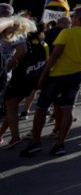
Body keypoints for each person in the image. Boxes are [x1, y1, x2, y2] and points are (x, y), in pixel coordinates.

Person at [20, 5, 81, 158]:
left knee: (42, 107)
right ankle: (60, 144)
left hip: (58, 74)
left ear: (77, 18)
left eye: (73, 16)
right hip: (78, 75)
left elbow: (56, 54)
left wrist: (44, 73)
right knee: (68, 109)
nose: (71, 18)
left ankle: (35, 142)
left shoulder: (67, 32)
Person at [3, 22, 46, 151]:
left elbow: (20, 54)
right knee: (12, 108)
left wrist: (9, 65)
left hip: (16, 80)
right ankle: (9, 136)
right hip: (29, 82)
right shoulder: (42, 45)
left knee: (10, 106)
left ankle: (15, 137)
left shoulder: (20, 41)